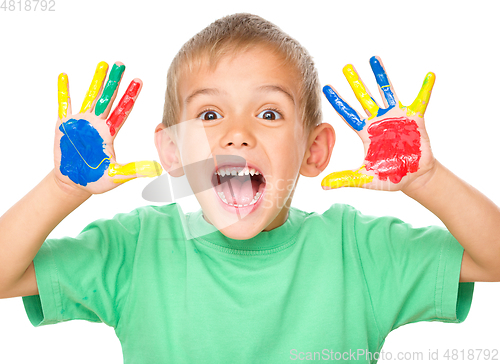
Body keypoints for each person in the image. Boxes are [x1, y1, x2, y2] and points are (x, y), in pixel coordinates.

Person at [0, 13, 498, 364]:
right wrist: (63, 188)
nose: (237, 134)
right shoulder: (135, 249)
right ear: (173, 150)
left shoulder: (358, 251)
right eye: (210, 114)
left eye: (269, 113)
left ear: (314, 152)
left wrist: (426, 179)